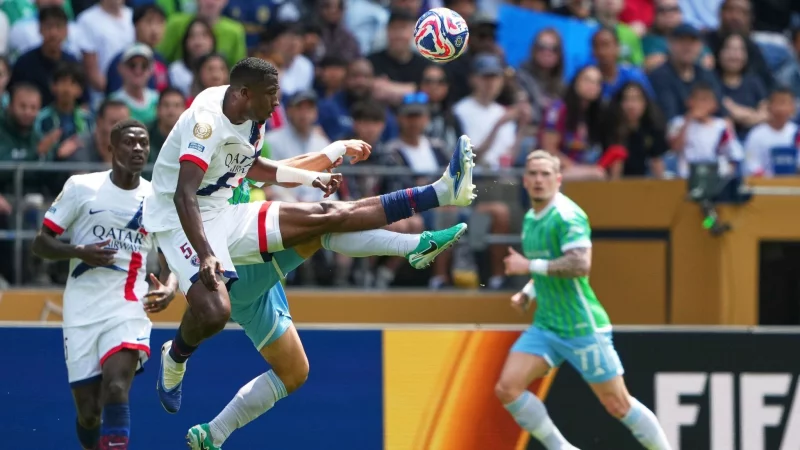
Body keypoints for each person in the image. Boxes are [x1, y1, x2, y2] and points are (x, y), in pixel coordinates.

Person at [142, 57, 477, 414]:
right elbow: (184, 195)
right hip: (178, 219)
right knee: (215, 312)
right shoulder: (206, 121)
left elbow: (251, 169)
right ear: (243, 92)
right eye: (271, 95)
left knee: (325, 216)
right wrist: (205, 253)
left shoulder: (255, 119)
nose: (276, 104)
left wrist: (309, 177)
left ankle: (441, 193)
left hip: (225, 211)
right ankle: (175, 357)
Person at [184, 151, 467, 450]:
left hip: (256, 284)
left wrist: (332, 153)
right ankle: (417, 238)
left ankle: (212, 434)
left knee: (293, 371)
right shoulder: (207, 158)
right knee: (322, 224)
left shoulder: (238, 152)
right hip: (237, 268)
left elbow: (279, 170)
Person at [499, 150, 673, 450]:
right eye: (534, 174)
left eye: (545, 174)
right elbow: (548, 263)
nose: (539, 180)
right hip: (547, 325)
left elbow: (579, 265)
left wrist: (529, 267)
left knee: (618, 404)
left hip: (582, 325)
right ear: (525, 181)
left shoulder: (568, 215)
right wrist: (528, 292)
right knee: (508, 388)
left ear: (558, 179)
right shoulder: (530, 218)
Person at [31, 119, 179, 450]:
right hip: (81, 307)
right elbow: (41, 243)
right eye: (129, 143)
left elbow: (174, 259)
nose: (138, 148)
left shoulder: (156, 197)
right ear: (111, 148)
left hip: (128, 304)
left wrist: (169, 287)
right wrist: (78, 251)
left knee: (116, 388)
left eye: (143, 143)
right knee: (89, 412)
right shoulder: (81, 187)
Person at [743, 87, 800, 177]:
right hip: (765, 185)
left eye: (786, 103)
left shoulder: (797, 133)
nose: (781, 108)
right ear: (769, 106)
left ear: (793, 107)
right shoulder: (756, 134)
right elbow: (751, 163)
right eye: (778, 102)